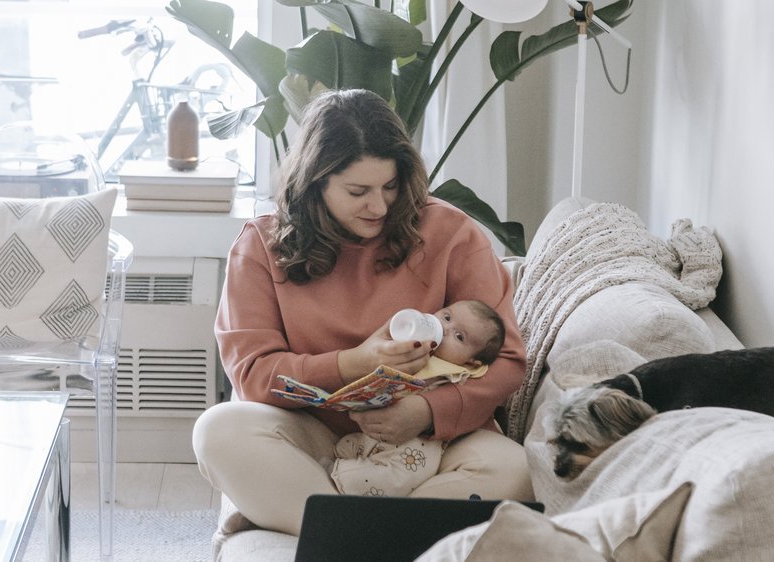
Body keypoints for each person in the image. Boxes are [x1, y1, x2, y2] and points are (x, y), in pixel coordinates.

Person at [193, 89, 533, 536]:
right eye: (358, 191)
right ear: (316, 182)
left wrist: (426, 411)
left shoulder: (451, 234)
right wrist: (356, 362)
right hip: (312, 438)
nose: (379, 206)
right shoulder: (261, 245)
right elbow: (253, 374)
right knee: (218, 431)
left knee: (515, 469)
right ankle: (368, 536)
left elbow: (506, 360)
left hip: (429, 446)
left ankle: (329, 530)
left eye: (390, 186)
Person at [332, 299, 506, 497]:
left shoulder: (460, 371)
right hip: (372, 433)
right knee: (353, 446)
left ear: (472, 362)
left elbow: (486, 391)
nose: (444, 328)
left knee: (405, 473)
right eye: (446, 317)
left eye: (459, 337)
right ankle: (344, 465)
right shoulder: (409, 346)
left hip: (423, 443)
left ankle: (347, 479)